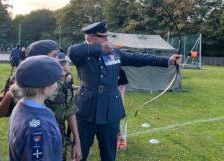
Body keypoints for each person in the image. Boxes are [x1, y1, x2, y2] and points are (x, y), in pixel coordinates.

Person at [68, 20, 182, 161]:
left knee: (109, 153)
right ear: (91, 38)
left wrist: (167, 61)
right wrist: (99, 49)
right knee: (79, 153)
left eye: (107, 37)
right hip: (86, 109)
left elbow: (137, 58)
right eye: (103, 38)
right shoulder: (81, 55)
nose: (107, 40)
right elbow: (72, 50)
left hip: (111, 110)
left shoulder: (115, 53)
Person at [8, 55, 63, 161]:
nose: (57, 85)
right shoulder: (39, 127)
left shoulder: (22, 105)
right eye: (55, 81)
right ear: (45, 89)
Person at [46, 52, 82, 161]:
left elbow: (70, 111)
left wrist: (77, 142)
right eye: (54, 55)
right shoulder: (24, 81)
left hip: (58, 137)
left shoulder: (62, 83)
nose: (57, 60)